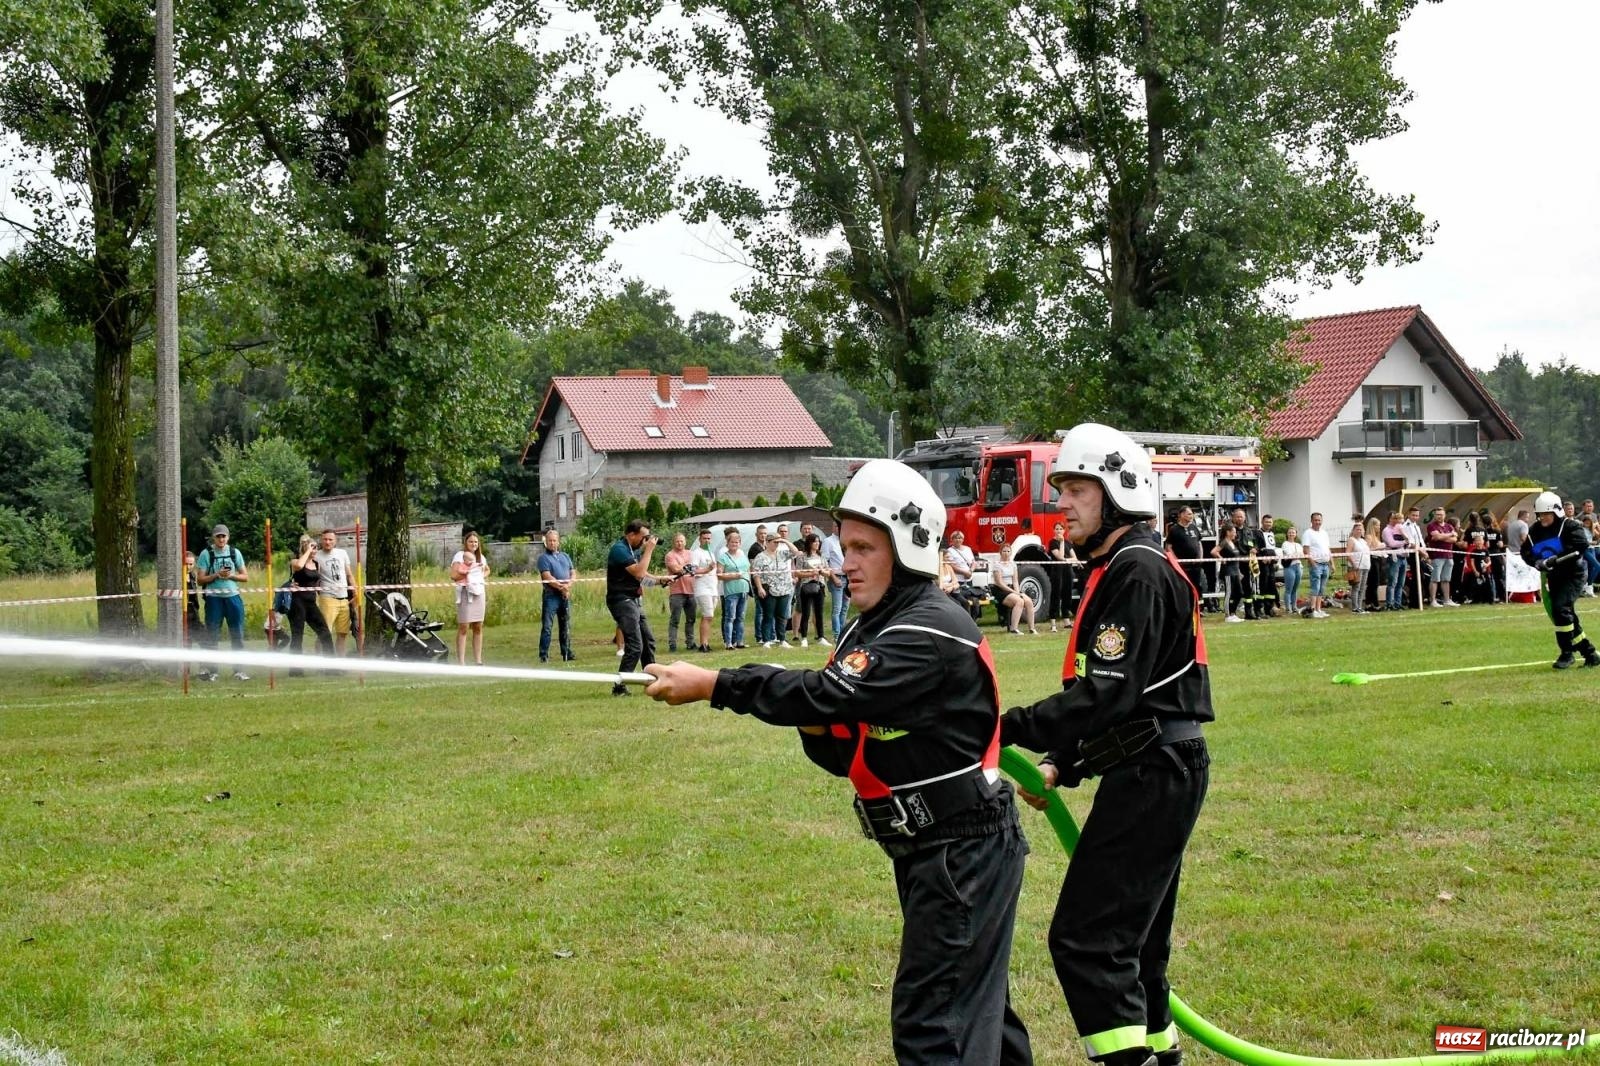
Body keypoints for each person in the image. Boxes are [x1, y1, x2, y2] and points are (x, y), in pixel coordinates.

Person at [643, 458, 1035, 1066]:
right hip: (933, 847)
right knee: (973, 1014)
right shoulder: (872, 629)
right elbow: (840, 739)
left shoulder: (929, 628)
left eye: (862, 547)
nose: (845, 560)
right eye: (845, 545)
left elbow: (832, 694)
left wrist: (717, 684)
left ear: (907, 546)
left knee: (938, 1027)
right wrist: (804, 710)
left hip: (962, 849)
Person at [999, 423, 1210, 1066]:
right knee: (1137, 945)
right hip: (1152, 762)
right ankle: (1159, 1053)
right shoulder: (1124, 565)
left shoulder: (1136, 571)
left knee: (1088, 941)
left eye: (1075, 490)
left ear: (1118, 490)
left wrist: (1006, 726)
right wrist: (1068, 761)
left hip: (1155, 770)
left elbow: (1108, 695)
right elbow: (1134, 699)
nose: (1061, 504)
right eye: (1060, 488)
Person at [1520, 492, 1600, 669]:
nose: (1543, 518)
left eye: (1546, 514)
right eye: (1540, 515)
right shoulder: (1535, 531)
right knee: (1566, 615)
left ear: (1556, 512)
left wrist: (1557, 558)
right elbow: (1525, 552)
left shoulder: (1570, 526)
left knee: (1560, 608)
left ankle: (1566, 654)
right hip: (1554, 577)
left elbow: (1581, 546)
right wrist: (1537, 562)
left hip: (1573, 574)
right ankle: (1590, 653)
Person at [606, 519, 660, 695]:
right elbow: (639, 572)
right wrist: (649, 550)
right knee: (636, 645)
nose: (645, 541)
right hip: (621, 601)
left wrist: (661, 581)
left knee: (648, 641)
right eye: (643, 537)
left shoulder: (632, 551)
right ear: (631, 535)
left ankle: (651, 680)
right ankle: (619, 686)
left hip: (633, 601)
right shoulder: (619, 550)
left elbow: (640, 577)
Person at [195, 524, 250, 681]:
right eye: (218, 536)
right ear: (214, 538)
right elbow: (200, 579)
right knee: (213, 635)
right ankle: (213, 671)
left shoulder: (235, 552)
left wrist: (231, 576)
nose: (221, 539)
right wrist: (217, 575)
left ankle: (239, 670)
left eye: (224, 536)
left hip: (233, 598)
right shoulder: (206, 554)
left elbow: (245, 577)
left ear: (228, 537)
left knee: (237, 635)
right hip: (214, 600)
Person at [288, 534, 335, 662]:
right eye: (312, 548)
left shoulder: (316, 564)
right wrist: (307, 550)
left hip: (311, 602)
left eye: (315, 548)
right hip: (297, 602)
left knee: (324, 632)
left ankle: (331, 666)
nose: (315, 551)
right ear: (305, 548)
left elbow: (317, 582)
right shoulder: (295, 561)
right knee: (297, 635)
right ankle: (296, 669)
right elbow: (298, 566)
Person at [451, 530, 491, 666]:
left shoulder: (481, 558)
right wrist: (468, 575)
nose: (473, 544)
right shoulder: (460, 556)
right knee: (464, 626)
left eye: (475, 541)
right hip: (464, 592)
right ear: (465, 543)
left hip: (478, 592)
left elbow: (487, 570)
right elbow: (454, 575)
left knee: (478, 626)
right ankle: (461, 662)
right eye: (470, 541)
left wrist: (480, 576)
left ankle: (478, 660)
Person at [314, 528, 356, 654]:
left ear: (335, 541)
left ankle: (340, 662)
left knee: (342, 634)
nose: (327, 542)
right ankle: (319, 661)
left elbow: (349, 574)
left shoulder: (342, 553)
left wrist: (354, 590)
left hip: (344, 599)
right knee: (324, 632)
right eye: (325, 539)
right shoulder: (316, 556)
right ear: (321, 540)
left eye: (330, 539)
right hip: (328, 598)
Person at [751, 530, 795, 648]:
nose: (777, 544)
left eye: (778, 542)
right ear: (768, 542)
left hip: (784, 589)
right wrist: (760, 588)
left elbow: (796, 552)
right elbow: (756, 574)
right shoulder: (760, 557)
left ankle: (782, 639)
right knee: (768, 615)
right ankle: (766, 640)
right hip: (769, 589)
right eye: (775, 542)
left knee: (782, 616)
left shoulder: (782, 553)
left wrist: (785, 541)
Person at [536, 528, 575, 662]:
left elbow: (572, 572)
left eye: (554, 541)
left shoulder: (565, 556)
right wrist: (561, 587)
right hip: (551, 596)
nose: (552, 543)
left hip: (564, 595)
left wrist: (568, 586)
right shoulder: (543, 558)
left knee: (565, 625)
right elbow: (547, 576)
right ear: (546, 542)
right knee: (547, 626)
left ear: (558, 542)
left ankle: (566, 653)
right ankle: (543, 655)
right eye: (550, 541)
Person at [991, 543, 1039, 634]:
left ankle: (1032, 628)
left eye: (1008, 551)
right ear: (1000, 552)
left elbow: (1015, 581)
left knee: (1028, 601)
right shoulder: (997, 565)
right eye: (1004, 551)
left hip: (1012, 588)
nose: (1006, 553)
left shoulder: (1013, 564)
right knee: (1019, 601)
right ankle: (1014, 628)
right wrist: (1014, 592)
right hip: (1001, 590)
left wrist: (1017, 592)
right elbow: (999, 583)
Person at [716, 528, 751, 650]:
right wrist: (734, 576)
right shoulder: (723, 557)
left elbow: (747, 569)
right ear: (728, 543)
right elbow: (719, 575)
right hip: (731, 591)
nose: (734, 544)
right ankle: (729, 642)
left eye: (737, 542)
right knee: (730, 617)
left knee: (741, 617)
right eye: (732, 542)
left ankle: (740, 641)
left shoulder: (742, 555)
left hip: (744, 590)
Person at [794, 532, 830, 647]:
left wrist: (822, 572)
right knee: (806, 612)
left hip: (820, 586)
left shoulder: (821, 557)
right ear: (809, 543)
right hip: (806, 586)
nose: (817, 544)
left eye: (818, 542)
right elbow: (797, 572)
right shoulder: (802, 557)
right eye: (815, 542)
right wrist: (810, 573)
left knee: (819, 613)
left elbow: (828, 572)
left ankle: (821, 636)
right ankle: (804, 637)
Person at [665, 533, 697, 654]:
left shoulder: (691, 554)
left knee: (691, 619)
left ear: (685, 542)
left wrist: (690, 568)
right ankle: (672, 644)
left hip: (691, 591)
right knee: (675, 620)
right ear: (674, 542)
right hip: (677, 592)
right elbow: (676, 569)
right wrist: (688, 567)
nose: (680, 543)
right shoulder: (670, 555)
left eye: (682, 541)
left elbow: (696, 568)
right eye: (677, 541)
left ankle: (690, 642)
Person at [689, 528, 719, 653]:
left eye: (709, 538)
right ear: (700, 539)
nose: (707, 541)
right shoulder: (696, 553)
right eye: (704, 538)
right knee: (708, 615)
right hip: (702, 588)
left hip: (713, 587)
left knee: (709, 617)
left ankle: (705, 642)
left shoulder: (711, 553)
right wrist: (706, 569)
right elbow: (693, 570)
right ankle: (703, 644)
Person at [1425, 507, 1459, 607]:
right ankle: (1433, 600)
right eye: (1437, 514)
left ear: (1445, 515)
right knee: (1435, 579)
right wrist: (1450, 535)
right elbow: (1437, 537)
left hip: (1449, 555)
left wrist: (1443, 536)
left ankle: (1447, 600)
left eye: (1441, 514)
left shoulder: (1449, 526)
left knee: (1446, 579)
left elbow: (1454, 540)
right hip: (1437, 556)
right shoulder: (1431, 526)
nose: (1439, 516)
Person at [821, 520, 849, 640]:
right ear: (833, 527)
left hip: (847, 578)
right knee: (837, 608)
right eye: (836, 526)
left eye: (840, 527)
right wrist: (833, 577)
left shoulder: (845, 541)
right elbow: (825, 562)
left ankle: (843, 632)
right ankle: (837, 634)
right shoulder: (828, 542)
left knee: (845, 607)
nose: (838, 529)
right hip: (836, 577)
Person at [1302, 513, 1332, 618]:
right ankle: (1312, 609)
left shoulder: (1324, 533)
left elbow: (1328, 549)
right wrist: (1313, 563)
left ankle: (1319, 609)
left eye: (1319, 520)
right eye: (1315, 520)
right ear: (1311, 521)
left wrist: (1331, 563)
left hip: (1325, 564)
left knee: (1322, 588)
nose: (1318, 522)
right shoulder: (1308, 533)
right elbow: (1306, 550)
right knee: (1315, 587)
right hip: (1316, 564)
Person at [1048, 520, 1077, 631]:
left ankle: (1066, 620)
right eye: (1057, 529)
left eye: (1061, 528)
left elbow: (1075, 558)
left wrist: (1067, 559)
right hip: (1057, 571)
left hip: (1067, 571)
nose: (1059, 531)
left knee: (1067, 594)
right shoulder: (1052, 543)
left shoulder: (1068, 543)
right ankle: (1053, 623)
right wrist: (1061, 543)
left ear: (1064, 530)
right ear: (1054, 530)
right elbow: (1059, 556)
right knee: (1056, 594)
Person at [1212, 524, 1244, 622]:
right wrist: (1221, 558)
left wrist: (1239, 572)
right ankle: (1227, 615)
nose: (1235, 534)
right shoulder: (1224, 542)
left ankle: (1233, 613)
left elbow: (1236, 558)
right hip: (1228, 572)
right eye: (1233, 531)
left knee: (1239, 593)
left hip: (1235, 571)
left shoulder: (1232, 542)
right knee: (1229, 593)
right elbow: (1213, 551)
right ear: (1228, 532)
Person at [1345, 515, 1371, 615]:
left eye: (1361, 529)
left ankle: (1360, 606)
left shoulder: (1363, 541)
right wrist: (1354, 564)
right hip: (1356, 567)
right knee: (1356, 587)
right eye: (1357, 529)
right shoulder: (1352, 540)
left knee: (1362, 587)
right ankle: (1355, 607)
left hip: (1365, 566)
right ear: (1354, 530)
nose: (1359, 531)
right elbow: (1348, 553)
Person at [1278, 525, 1304, 615]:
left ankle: (1294, 607)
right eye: (1289, 532)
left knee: (1295, 589)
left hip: (1298, 567)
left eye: (1293, 532)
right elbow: (1289, 555)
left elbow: (1302, 555)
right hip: (1289, 567)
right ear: (1287, 534)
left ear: (1296, 534)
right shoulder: (1285, 544)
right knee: (1289, 589)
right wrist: (1295, 555)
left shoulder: (1298, 545)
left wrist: (1296, 555)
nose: (1291, 534)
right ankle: (1288, 608)